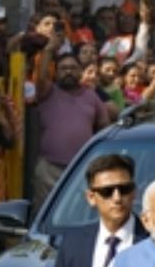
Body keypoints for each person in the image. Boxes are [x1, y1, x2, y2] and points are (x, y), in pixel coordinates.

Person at [33, 35, 110, 209]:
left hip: (82, 169)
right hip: (50, 169)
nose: (68, 72)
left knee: (78, 212)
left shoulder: (91, 96)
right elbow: (42, 76)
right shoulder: (47, 92)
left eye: (73, 68)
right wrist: (49, 50)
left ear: (81, 71)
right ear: (56, 72)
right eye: (63, 68)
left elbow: (103, 125)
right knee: (47, 213)